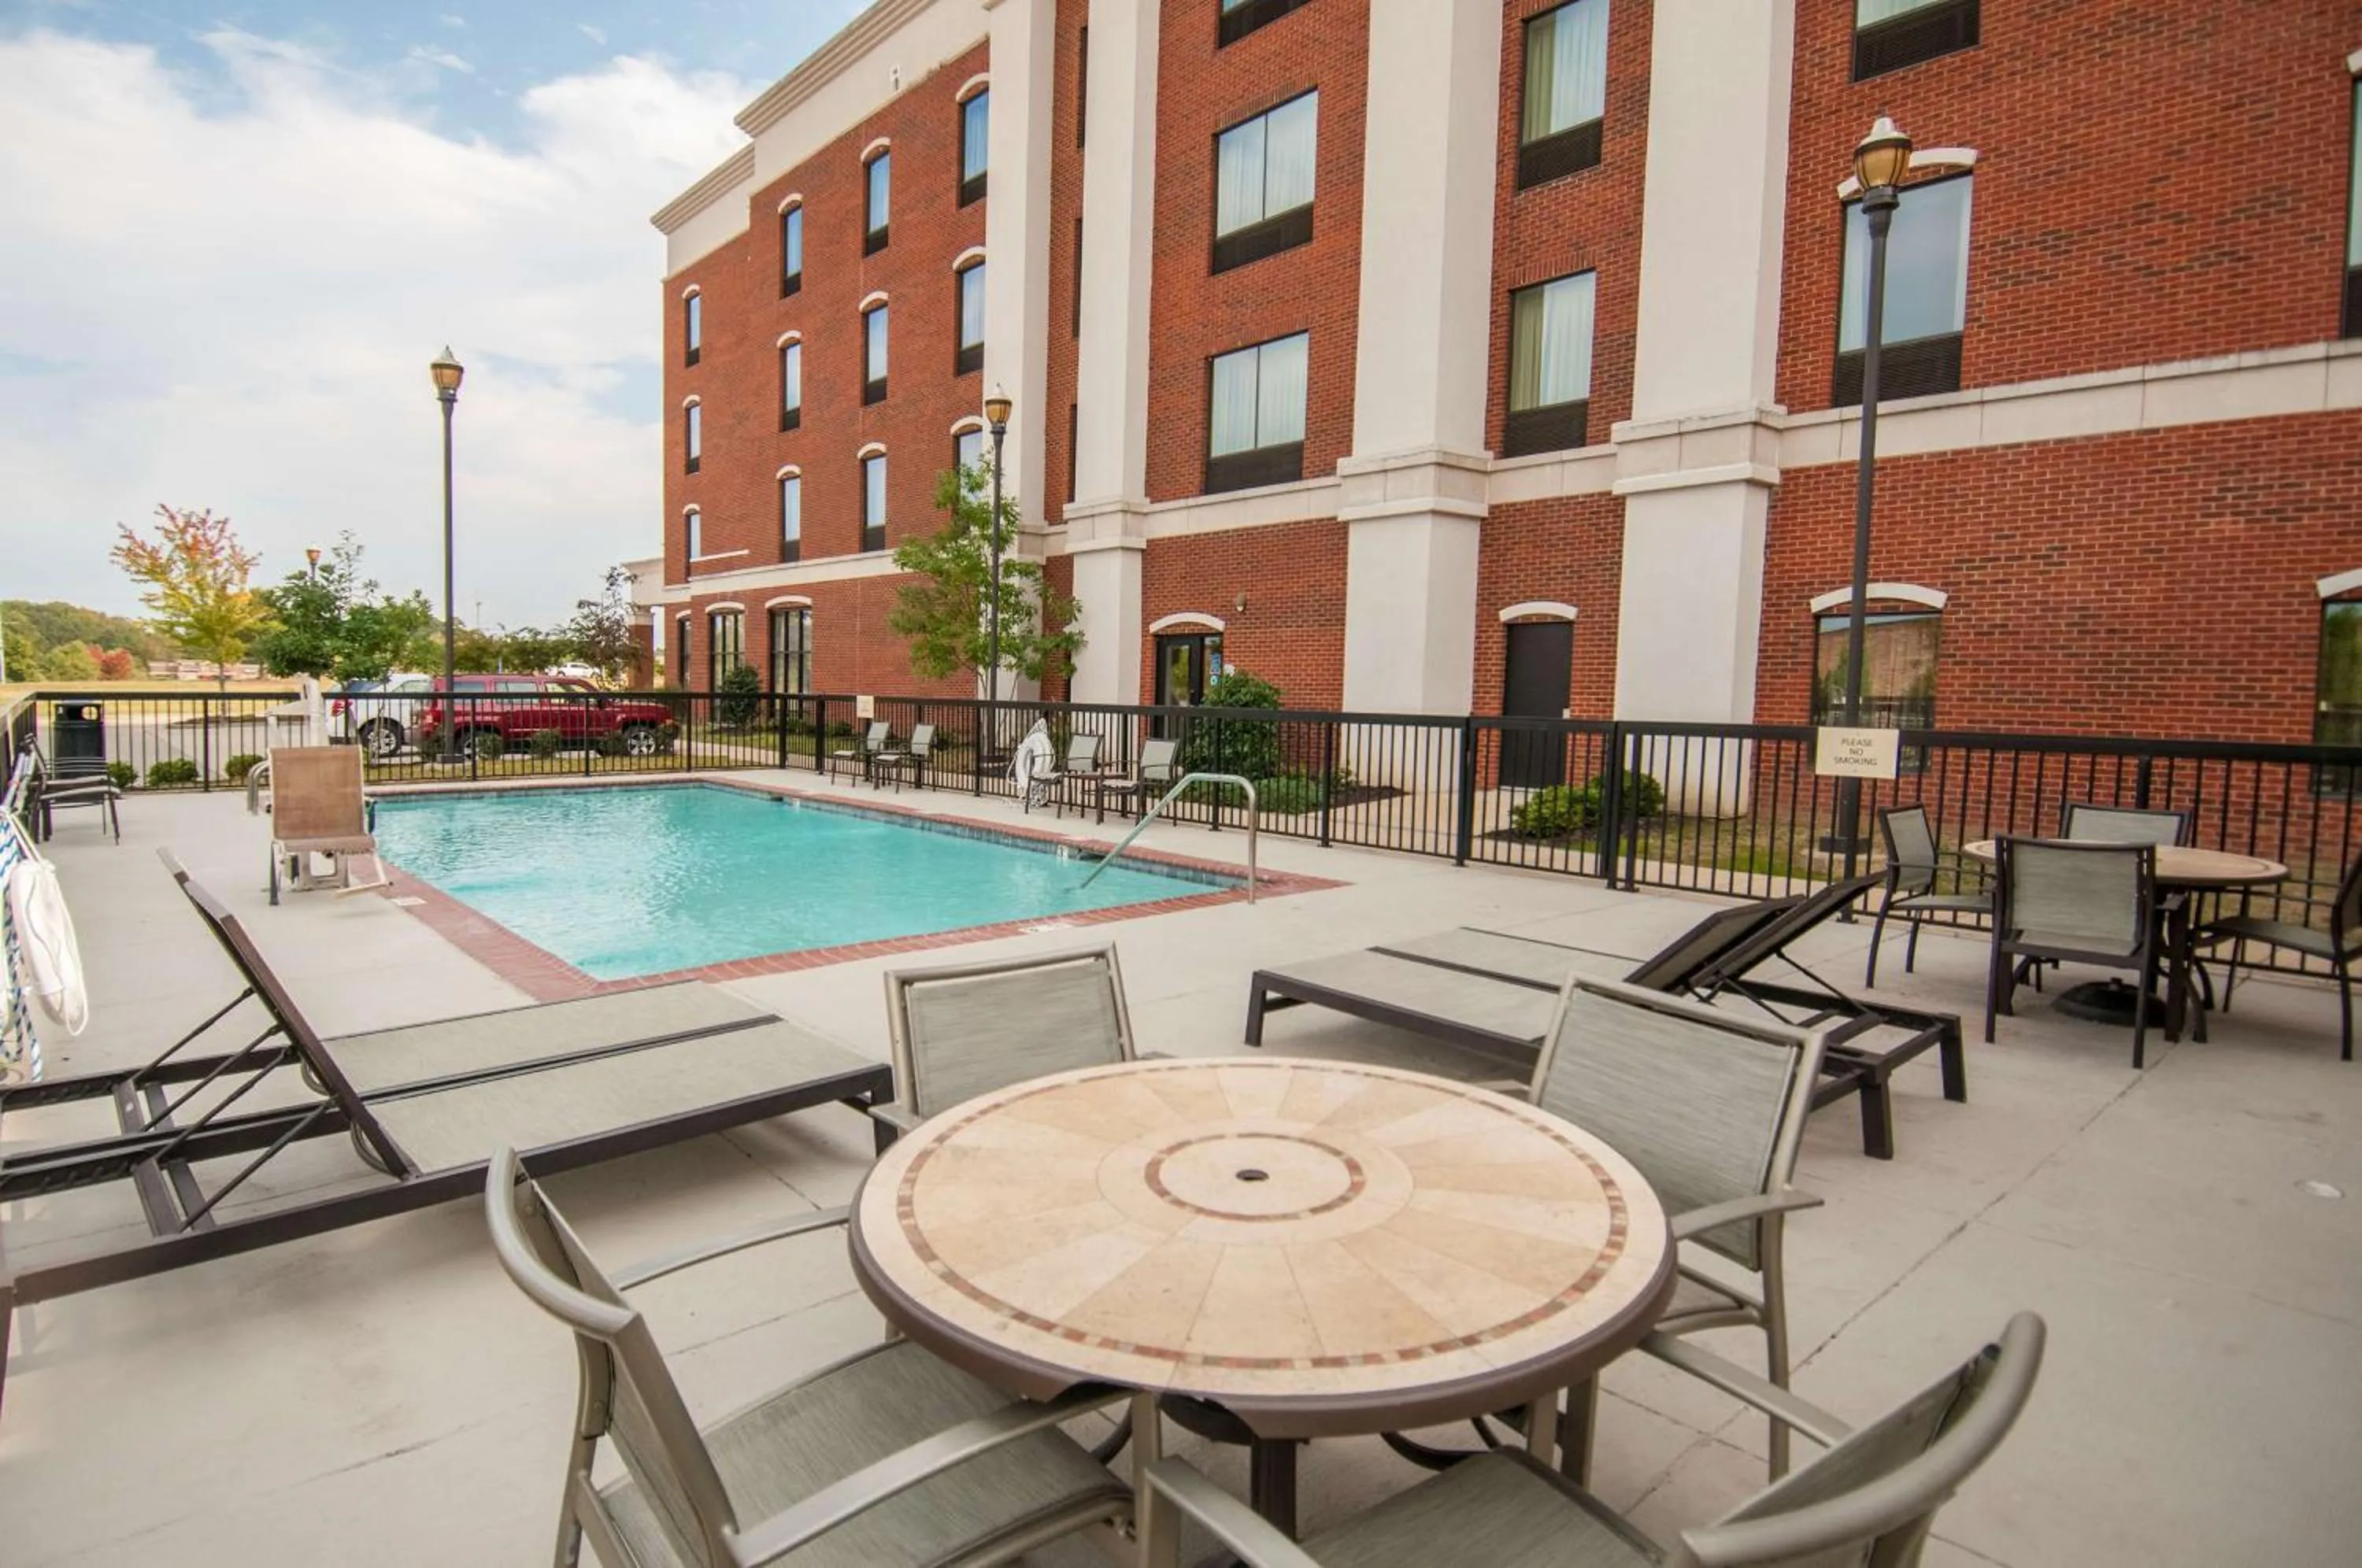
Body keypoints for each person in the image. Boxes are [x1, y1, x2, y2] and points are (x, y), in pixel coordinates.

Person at [1009, 716, 1054, 811]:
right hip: (1035, 769)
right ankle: (1034, 797)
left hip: (1041, 766)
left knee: (1040, 766)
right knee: (1032, 773)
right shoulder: (1033, 740)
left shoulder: (1042, 743)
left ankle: (1039, 797)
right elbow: (1025, 752)